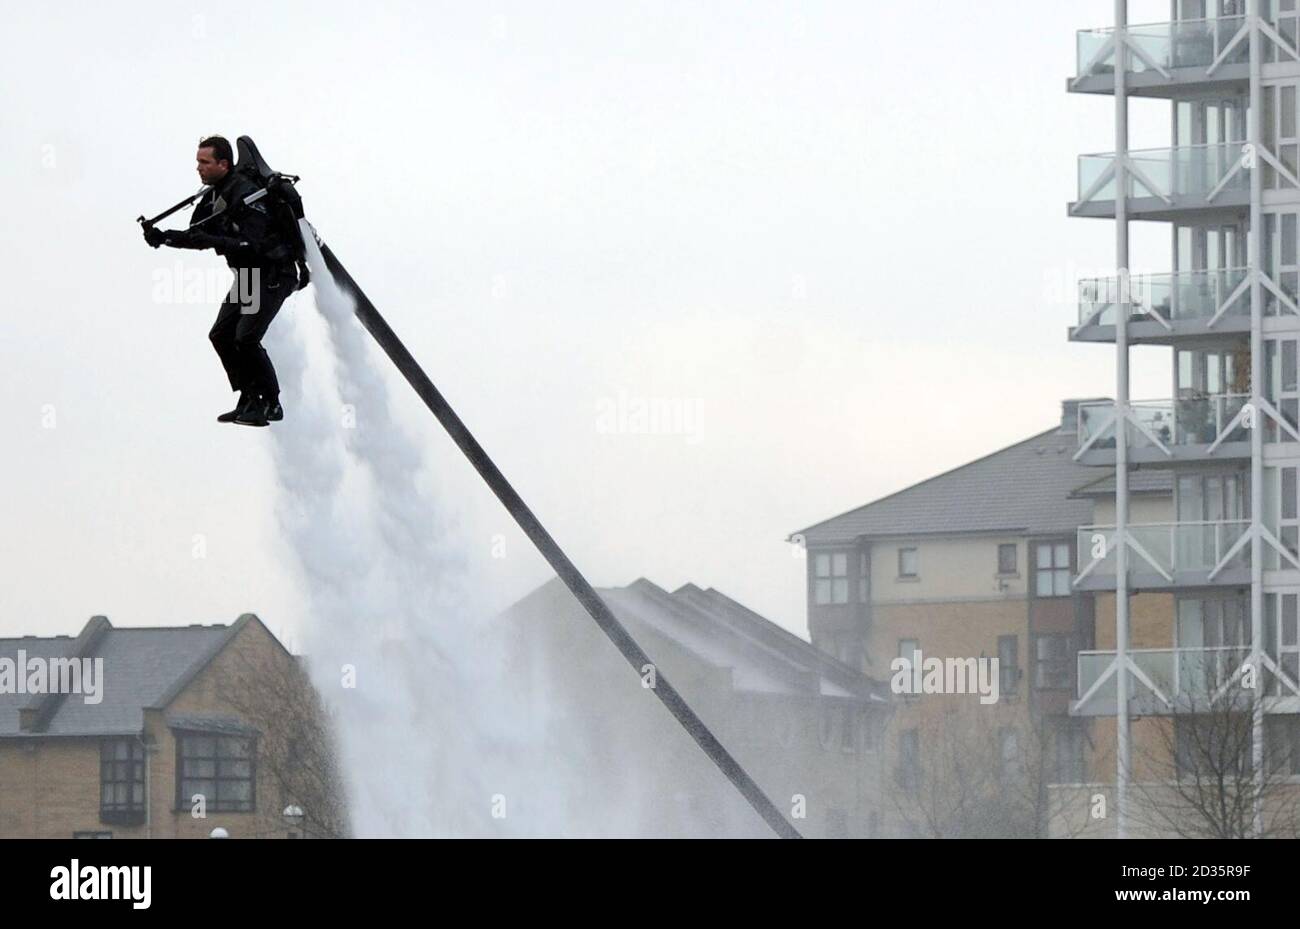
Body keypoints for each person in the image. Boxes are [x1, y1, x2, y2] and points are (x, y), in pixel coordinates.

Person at [143, 135, 297, 426]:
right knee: (221, 335)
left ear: (223, 164)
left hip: (274, 273)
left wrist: (212, 239)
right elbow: (198, 236)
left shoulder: (246, 193)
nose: (198, 168)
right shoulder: (215, 196)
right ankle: (251, 397)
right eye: (198, 162)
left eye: (205, 162)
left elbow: (251, 244)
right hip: (250, 277)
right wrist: (164, 238)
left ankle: (272, 404)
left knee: (246, 337)